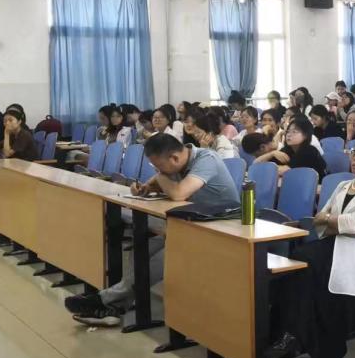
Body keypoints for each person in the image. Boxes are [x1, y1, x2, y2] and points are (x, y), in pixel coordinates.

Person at [65, 133, 240, 326]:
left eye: (159, 166)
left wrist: (160, 177)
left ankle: (104, 301)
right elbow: (164, 188)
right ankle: (114, 306)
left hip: (223, 230)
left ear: (174, 158)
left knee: (166, 257)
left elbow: (179, 193)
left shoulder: (207, 159)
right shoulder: (176, 164)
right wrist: (145, 188)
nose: (158, 171)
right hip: (191, 225)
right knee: (142, 248)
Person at [269, 136, 355, 358]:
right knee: (296, 262)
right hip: (335, 242)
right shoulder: (343, 186)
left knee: (306, 263)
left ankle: (310, 343)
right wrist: (339, 224)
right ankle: (288, 334)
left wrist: (336, 222)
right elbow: (319, 219)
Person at [255, 115, 327, 179]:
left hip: (317, 188)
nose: (289, 135)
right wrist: (272, 154)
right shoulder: (288, 150)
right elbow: (255, 165)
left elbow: (285, 171)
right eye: (288, 131)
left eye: (294, 132)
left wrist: (266, 167)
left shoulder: (309, 151)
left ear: (306, 135)